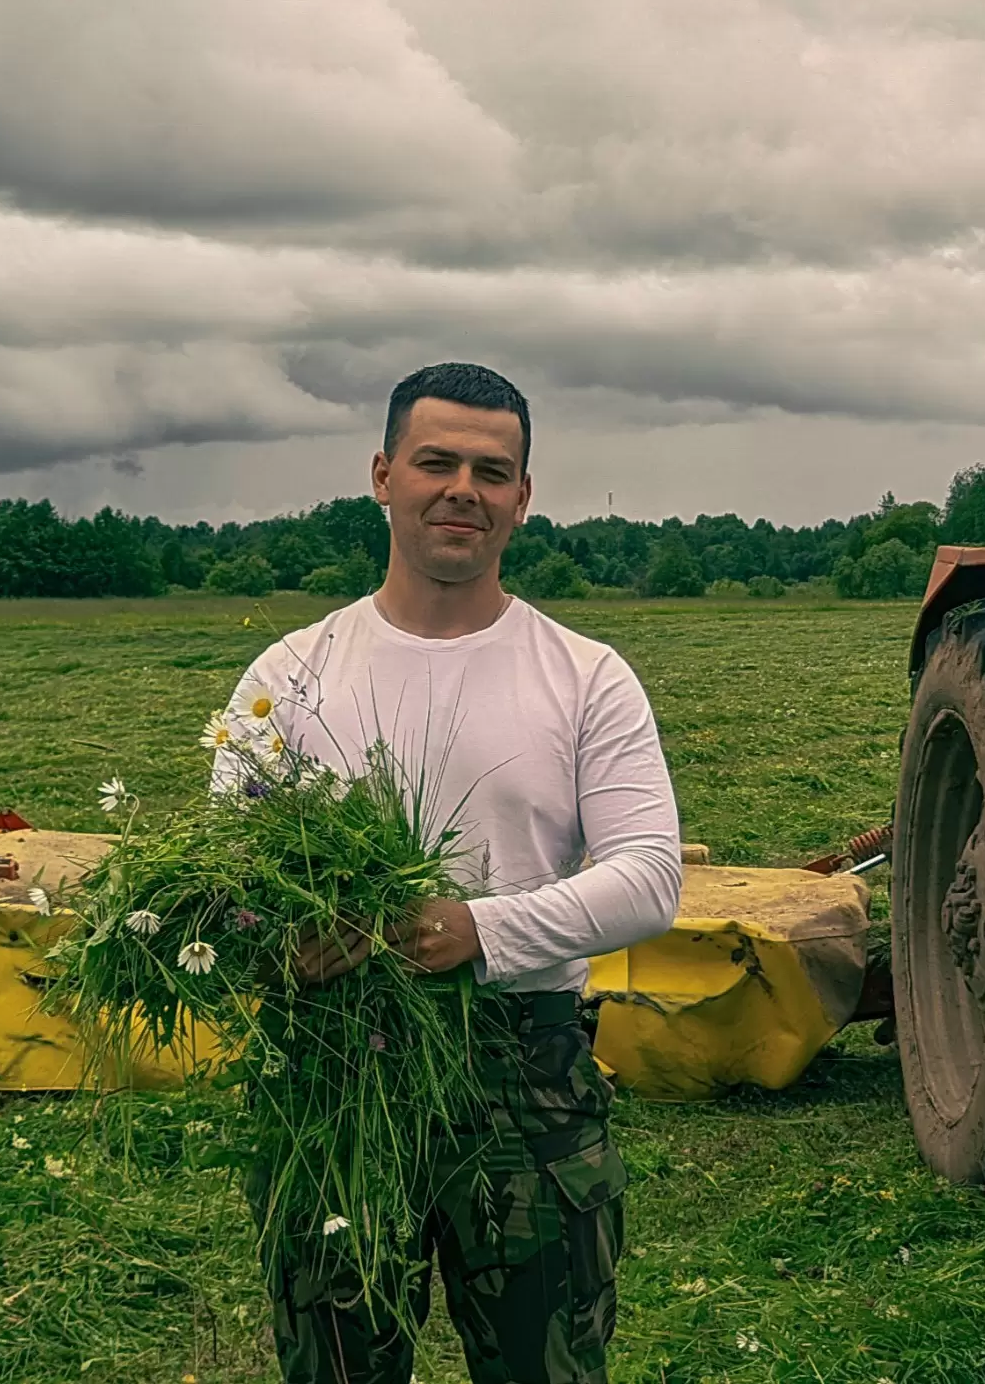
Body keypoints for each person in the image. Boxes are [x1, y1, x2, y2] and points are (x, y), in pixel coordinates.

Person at [212, 361, 683, 1384]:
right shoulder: (290, 676)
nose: (462, 487)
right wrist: (280, 944)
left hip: (525, 1079)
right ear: (383, 475)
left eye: (490, 468)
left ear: (523, 496)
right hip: (333, 1071)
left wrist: (481, 927)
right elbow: (223, 880)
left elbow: (650, 877)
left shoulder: (585, 674)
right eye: (436, 461)